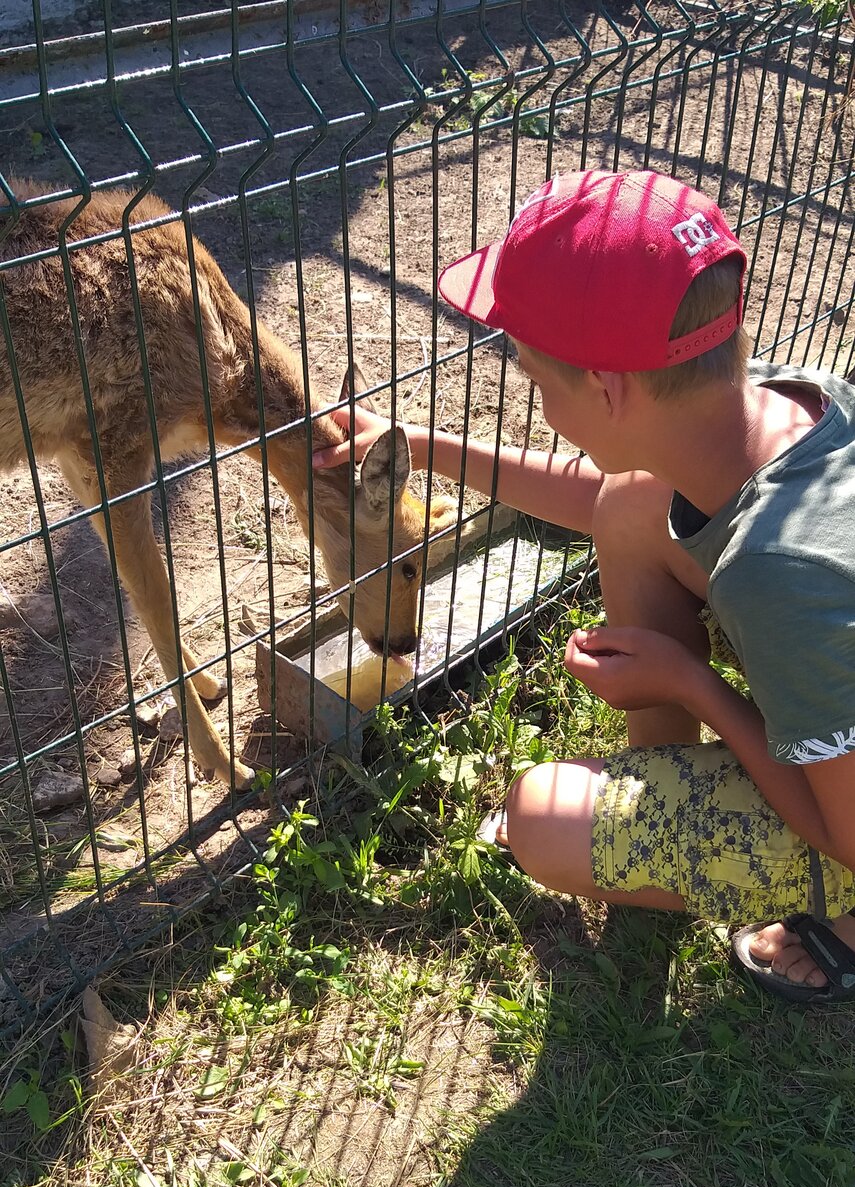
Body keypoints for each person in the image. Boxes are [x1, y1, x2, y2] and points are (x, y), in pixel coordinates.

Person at [313, 169, 855, 1003]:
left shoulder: (776, 575)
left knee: (541, 818)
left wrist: (690, 683)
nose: (533, 395)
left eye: (533, 379)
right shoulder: (789, 402)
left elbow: (847, 833)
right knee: (636, 503)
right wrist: (420, 441)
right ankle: (665, 780)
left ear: (606, 388)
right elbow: (602, 492)